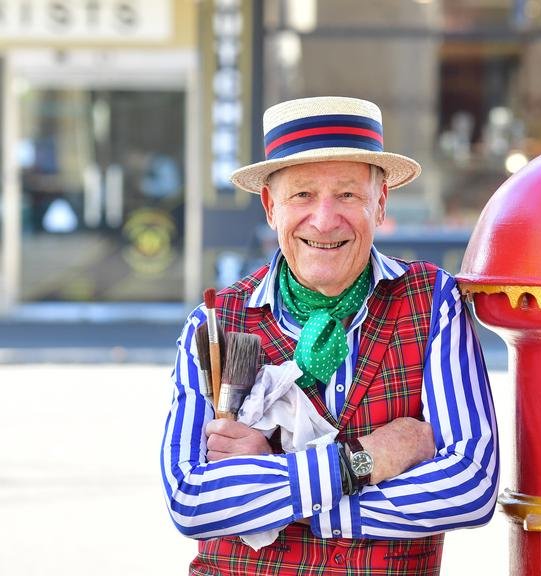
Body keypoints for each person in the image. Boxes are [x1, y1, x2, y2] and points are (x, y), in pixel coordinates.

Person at [160, 96, 499, 575]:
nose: (323, 220)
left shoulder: (432, 300)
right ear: (270, 206)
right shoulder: (216, 322)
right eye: (301, 195)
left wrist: (281, 494)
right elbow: (191, 502)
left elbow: (471, 485)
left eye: (347, 195)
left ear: (379, 204)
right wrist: (361, 461)